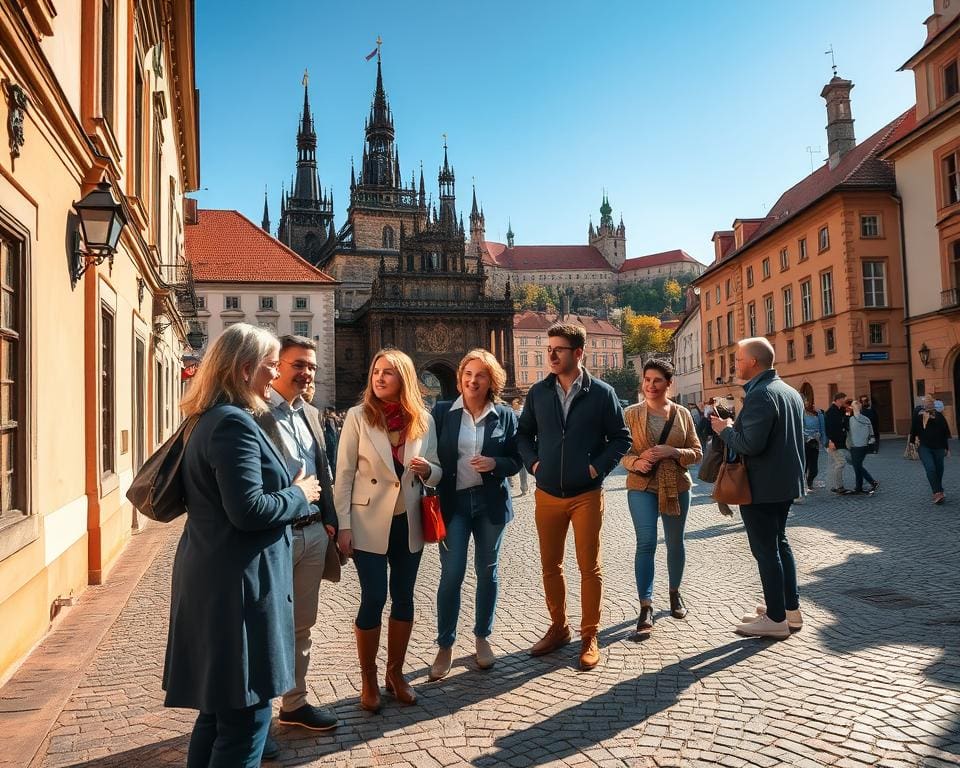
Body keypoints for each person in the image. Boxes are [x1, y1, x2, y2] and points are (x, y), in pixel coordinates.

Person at [163, 323, 322, 768]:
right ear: (245, 368)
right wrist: (299, 494)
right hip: (239, 589)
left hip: (217, 577)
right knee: (247, 721)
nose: (275, 377)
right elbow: (248, 510)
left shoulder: (209, 418)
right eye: (271, 367)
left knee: (216, 716)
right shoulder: (233, 423)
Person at [518, 323, 631, 671]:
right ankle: (558, 628)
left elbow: (621, 438)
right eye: (548, 348)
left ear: (578, 353)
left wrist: (596, 469)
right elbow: (523, 435)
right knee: (550, 566)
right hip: (548, 492)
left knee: (589, 567)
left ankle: (589, 635)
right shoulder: (538, 393)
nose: (550, 355)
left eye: (559, 349)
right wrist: (535, 464)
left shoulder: (601, 393)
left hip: (585, 494)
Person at [334, 349, 442, 712]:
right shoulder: (357, 417)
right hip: (367, 523)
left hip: (408, 521)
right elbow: (344, 474)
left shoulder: (423, 420)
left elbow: (438, 468)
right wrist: (344, 527)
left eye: (388, 373)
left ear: (404, 379)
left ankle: (395, 674)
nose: (379, 378)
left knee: (405, 596)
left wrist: (429, 469)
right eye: (376, 371)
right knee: (373, 597)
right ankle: (368, 679)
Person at [254, 335, 340, 737]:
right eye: (297, 365)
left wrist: (330, 522)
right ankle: (255, 721)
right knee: (262, 625)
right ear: (275, 368)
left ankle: (294, 703)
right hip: (273, 535)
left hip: (311, 534)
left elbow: (323, 471)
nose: (306, 373)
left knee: (301, 625)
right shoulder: (253, 414)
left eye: (311, 366)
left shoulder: (311, 413)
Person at [429, 350, 521, 680]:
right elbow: (431, 456)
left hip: (490, 503)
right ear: (459, 378)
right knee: (451, 574)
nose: (473, 380)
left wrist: (496, 464)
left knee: (488, 571)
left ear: (491, 380)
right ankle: (445, 645)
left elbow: (517, 459)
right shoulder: (441, 412)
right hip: (453, 503)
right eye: (468, 373)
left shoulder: (505, 416)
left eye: (480, 374)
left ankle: (482, 638)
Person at [710, 337, 804, 640]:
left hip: (762, 484)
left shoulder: (760, 395)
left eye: (738, 359)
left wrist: (725, 431)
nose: (735, 364)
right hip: (785, 482)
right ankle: (789, 609)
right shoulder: (789, 392)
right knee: (780, 544)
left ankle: (776, 619)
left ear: (753, 362)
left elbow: (751, 444)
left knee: (766, 550)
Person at [621, 360, 702, 636]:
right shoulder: (630, 414)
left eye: (657, 380)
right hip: (641, 485)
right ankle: (645, 605)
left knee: (675, 542)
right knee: (645, 543)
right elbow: (620, 452)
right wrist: (635, 461)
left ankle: (675, 592)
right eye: (647, 380)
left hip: (676, 485)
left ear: (669, 384)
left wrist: (673, 452)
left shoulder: (682, 414)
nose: (651, 386)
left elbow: (697, 452)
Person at [910, 394, 952, 504]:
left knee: (939, 469)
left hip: (939, 447)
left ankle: (939, 489)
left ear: (933, 404)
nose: (928, 405)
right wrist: (911, 443)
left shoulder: (939, 416)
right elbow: (913, 429)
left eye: (930, 403)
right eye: (926, 403)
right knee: (930, 468)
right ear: (923, 405)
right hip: (924, 447)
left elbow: (945, 432)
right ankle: (937, 492)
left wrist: (947, 448)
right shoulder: (918, 415)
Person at [847, 400, 879, 496]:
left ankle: (872, 482)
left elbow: (849, 432)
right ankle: (859, 487)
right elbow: (871, 432)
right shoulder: (865, 419)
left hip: (857, 446)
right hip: (861, 445)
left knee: (857, 466)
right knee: (857, 466)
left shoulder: (852, 419)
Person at [824, 392, 851, 494]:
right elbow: (828, 428)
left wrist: (848, 412)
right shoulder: (831, 412)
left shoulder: (841, 410)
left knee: (847, 461)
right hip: (834, 443)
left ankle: (836, 485)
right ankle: (839, 487)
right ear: (839, 399)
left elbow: (844, 422)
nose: (845, 401)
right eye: (844, 399)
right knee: (841, 463)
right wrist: (830, 441)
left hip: (842, 442)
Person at [802, 399, 827, 492]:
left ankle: (809, 482)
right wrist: (808, 436)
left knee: (814, 469)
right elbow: (800, 428)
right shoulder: (801, 414)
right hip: (804, 442)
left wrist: (823, 440)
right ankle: (803, 485)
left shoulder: (818, 414)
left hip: (815, 443)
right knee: (804, 465)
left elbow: (822, 428)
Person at [508, 398, 530, 495]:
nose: (517, 404)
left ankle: (524, 487)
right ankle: (511, 483)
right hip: (511, 441)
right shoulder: (509, 413)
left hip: (520, 442)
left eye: (518, 402)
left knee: (522, 465)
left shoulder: (521, 413)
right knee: (509, 462)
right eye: (515, 402)